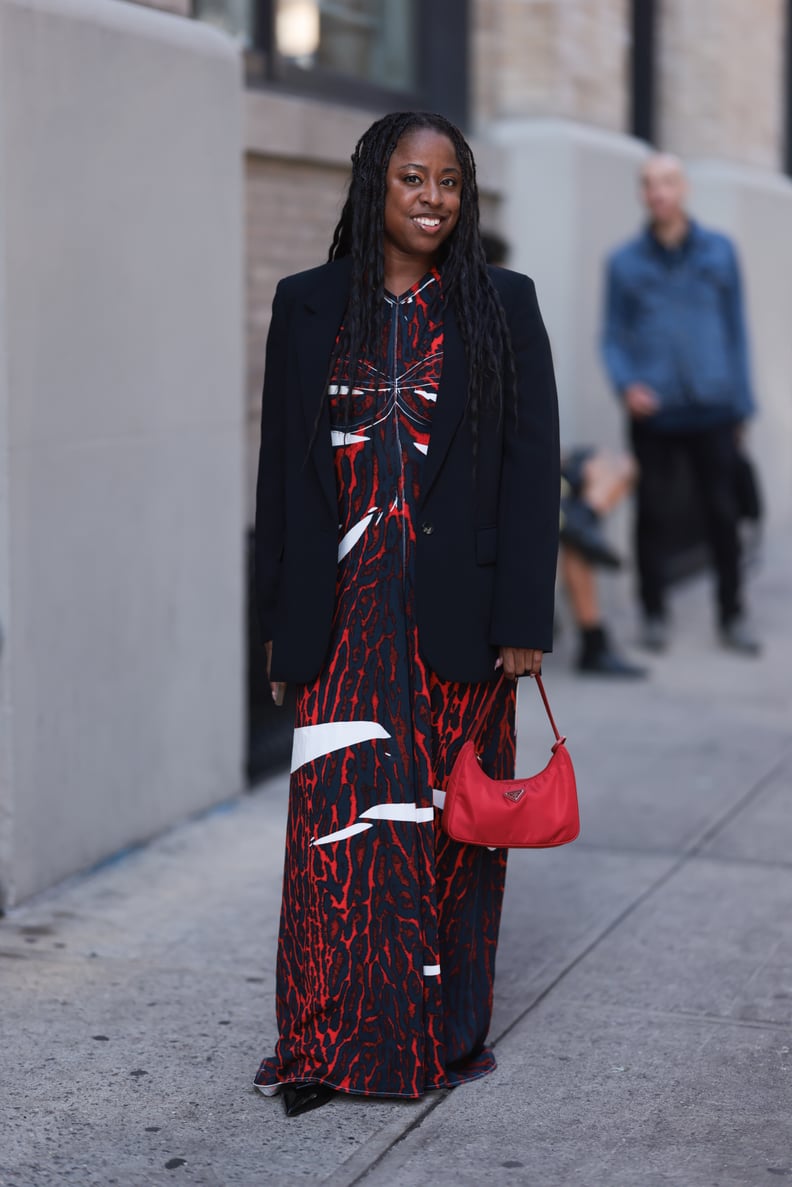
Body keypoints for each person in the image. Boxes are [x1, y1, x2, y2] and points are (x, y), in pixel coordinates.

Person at [253, 112, 560, 1116]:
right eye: (412, 179)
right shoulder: (306, 307)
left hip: (458, 622)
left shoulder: (499, 307)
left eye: (450, 182)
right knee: (336, 838)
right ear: (371, 187)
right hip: (340, 616)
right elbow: (282, 484)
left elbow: (529, 474)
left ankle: (438, 1035)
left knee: (444, 834)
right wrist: (278, 621)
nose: (433, 198)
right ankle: (323, 1040)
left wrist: (525, 619)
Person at [602, 153, 760, 655]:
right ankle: (653, 613)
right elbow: (611, 337)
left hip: (713, 403)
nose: (658, 192)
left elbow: (736, 330)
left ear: (684, 188)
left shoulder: (720, 251)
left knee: (722, 512)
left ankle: (732, 615)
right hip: (656, 410)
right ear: (642, 194)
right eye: (648, 184)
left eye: (667, 182)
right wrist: (627, 384)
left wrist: (742, 405)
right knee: (652, 515)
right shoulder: (624, 262)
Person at [560, 449, 646, 677]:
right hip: (522, 474)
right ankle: (580, 522)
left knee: (623, 463)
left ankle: (581, 519)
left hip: (551, 467)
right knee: (577, 545)